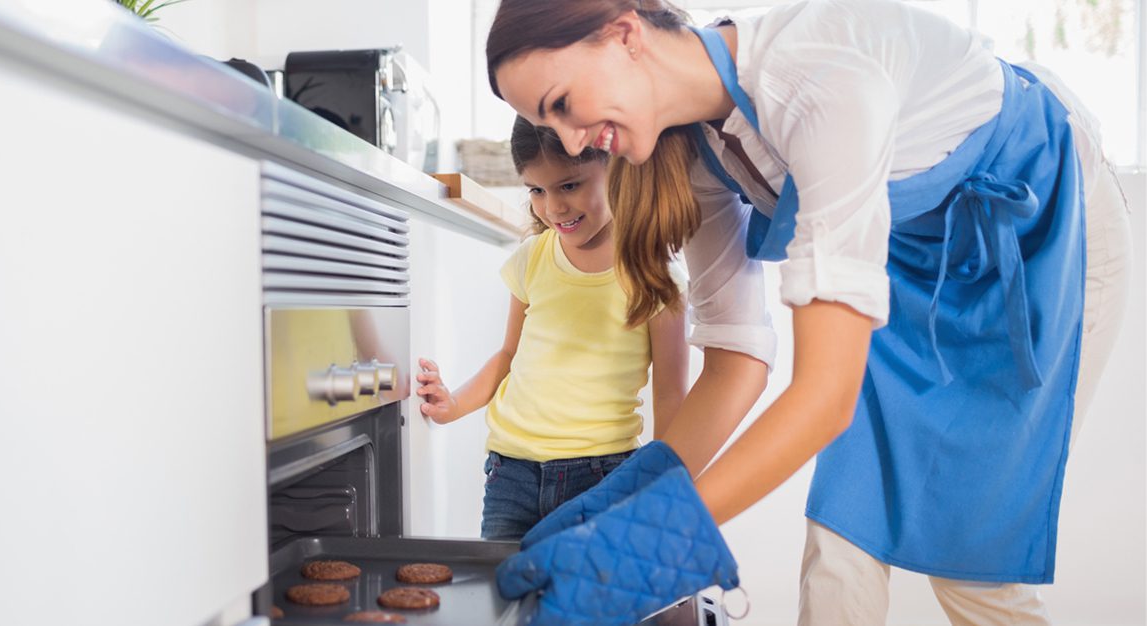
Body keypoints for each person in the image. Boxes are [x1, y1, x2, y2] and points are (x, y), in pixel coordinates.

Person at [484, 0, 1133, 624]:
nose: (572, 138)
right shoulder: (696, 151)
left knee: (971, 568)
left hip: (1041, 239)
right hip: (912, 264)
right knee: (841, 538)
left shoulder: (820, 83)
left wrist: (647, 540)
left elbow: (825, 398)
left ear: (625, 36)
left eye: (562, 105)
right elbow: (736, 362)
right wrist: (620, 499)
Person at [415, 116, 691, 540]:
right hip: (511, 472)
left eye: (569, 185)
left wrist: (663, 484)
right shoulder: (533, 257)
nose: (553, 207)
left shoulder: (655, 275)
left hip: (602, 474)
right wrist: (454, 404)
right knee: (505, 599)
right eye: (537, 190)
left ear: (616, 168)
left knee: (588, 602)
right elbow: (509, 355)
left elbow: (671, 392)